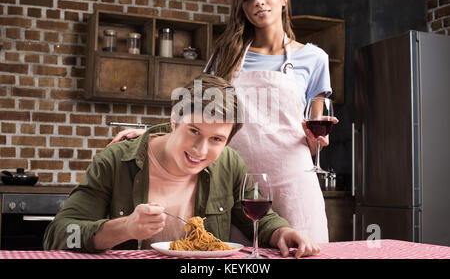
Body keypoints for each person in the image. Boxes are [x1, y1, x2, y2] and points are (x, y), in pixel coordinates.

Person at [109, 0, 338, 243]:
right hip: (234, 184)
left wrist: (317, 140)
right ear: (241, 7)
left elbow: (314, 138)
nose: (259, 2)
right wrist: (150, 134)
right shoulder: (226, 54)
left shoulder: (315, 59)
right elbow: (197, 112)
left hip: (293, 181)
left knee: (302, 249)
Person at [43, 74, 320, 258]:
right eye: (193, 131)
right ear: (175, 120)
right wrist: (126, 227)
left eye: (216, 139)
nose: (200, 151)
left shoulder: (229, 163)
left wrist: (282, 232)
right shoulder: (115, 162)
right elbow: (60, 235)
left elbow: (259, 215)